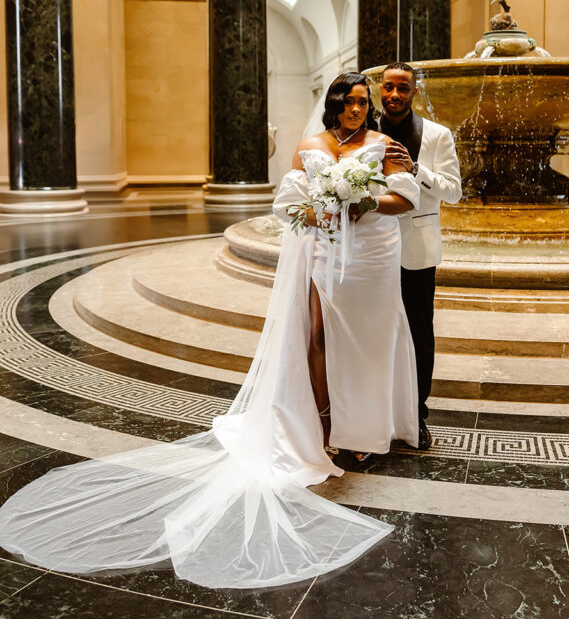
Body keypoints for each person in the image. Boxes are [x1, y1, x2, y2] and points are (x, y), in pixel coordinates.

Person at [0, 73, 419, 590]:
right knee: (314, 338)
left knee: (367, 345)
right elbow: (289, 205)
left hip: (370, 258)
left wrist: (361, 201)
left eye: (363, 101)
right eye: (349, 101)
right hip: (322, 252)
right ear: (333, 104)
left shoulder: (386, 145)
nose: (358, 109)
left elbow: (406, 198)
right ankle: (325, 421)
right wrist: (320, 206)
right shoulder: (310, 146)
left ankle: (366, 429)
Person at [379, 63, 462, 449]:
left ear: (414, 91)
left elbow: (454, 192)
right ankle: (375, 409)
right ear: (381, 90)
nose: (394, 94)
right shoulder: (363, 131)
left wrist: (417, 170)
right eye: (388, 87)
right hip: (371, 247)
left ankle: (417, 412)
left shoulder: (438, 135)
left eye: (403, 88)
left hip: (417, 249)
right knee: (373, 330)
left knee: (418, 333)